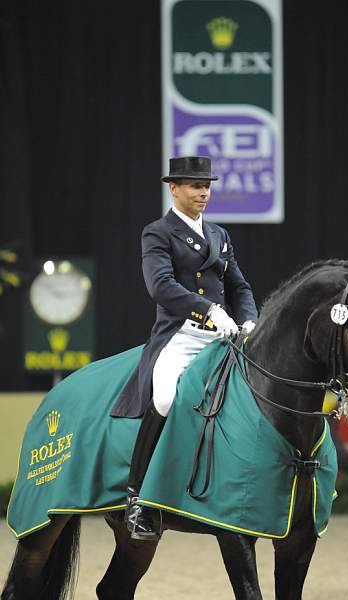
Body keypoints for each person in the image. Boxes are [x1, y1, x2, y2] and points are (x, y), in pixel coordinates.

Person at [111, 156, 257, 540]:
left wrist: (249, 320)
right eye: (195, 185)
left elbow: (239, 286)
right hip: (182, 333)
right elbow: (160, 287)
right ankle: (136, 498)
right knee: (163, 397)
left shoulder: (220, 235)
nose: (204, 192)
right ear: (173, 188)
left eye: (207, 185)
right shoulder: (158, 232)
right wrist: (207, 308)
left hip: (225, 333)